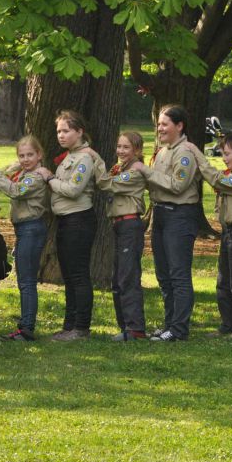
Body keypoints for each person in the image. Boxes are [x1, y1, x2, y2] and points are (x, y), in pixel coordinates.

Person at [36, 110, 105, 341]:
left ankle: (81, 327)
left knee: (78, 275)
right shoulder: (70, 156)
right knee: (68, 274)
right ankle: (69, 325)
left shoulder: (84, 158)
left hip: (79, 220)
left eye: (66, 131)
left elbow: (74, 190)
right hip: (66, 220)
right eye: (58, 131)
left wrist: (49, 178)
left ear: (79, 132)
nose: (61, 135)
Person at [136, 105, 200, 342]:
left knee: (178, 274)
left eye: (165, 124)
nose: (159, 128)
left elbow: (177, 185)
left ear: (179, 126)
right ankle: (169, 324)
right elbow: (156, 182)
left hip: (179, 215)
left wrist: (144, 170)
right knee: (163, 274)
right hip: (161, 214)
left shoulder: (184, 153)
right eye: (159, 124)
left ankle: (179, 329)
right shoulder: (163, 151)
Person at [189, 131, 232, 339]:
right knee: (223, 281)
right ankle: (228, 324)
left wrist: (197, 154)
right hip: (228, 232)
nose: (224, 158)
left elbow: (217, 180)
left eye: (227, 154)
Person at [0, 136, 50, 341]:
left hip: (31, 228)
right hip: (23, 229)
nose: (25, 159)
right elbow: (8, 173)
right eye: (21, 155)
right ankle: (25, 324)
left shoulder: (35, 178)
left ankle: (26, 328)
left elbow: (14, 191)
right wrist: (18, 165)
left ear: (39, 154)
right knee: (24, 278)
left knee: (27, 280)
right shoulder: (25, 172)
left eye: (30, 155)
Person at [97, 132, 148, 342]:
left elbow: (107, 184)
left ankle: (135, 328)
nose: (120, 151)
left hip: (130, 225)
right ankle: (125, 326)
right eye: (119, 146)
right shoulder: (119, 169)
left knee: (128, 276)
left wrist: (95, 161)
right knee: (118, 278)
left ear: (137, 150)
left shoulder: (134, 172)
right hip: (119, 225)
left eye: (126, 147)